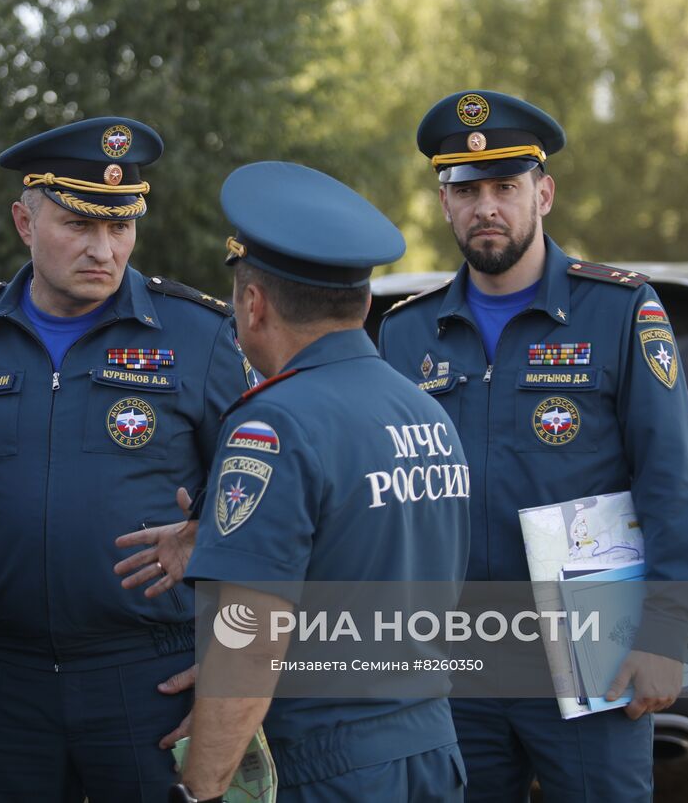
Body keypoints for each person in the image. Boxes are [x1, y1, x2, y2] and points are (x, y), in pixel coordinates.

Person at [0, 116, 251, 803]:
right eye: (78, 224)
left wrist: (230, 679)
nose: (103, 249)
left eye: (120, 226)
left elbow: (265, 513)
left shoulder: (200, 335)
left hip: (150, 678)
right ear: (24, 223)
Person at [377, 90, 688, 801]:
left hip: (595, 644)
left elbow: (671, 481)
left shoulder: (619, 311)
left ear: (544, 194)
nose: (486, 207)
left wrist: (667, 634)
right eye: (467, 191)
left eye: (505, 187)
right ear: (444, 203)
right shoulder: (406, 333)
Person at [173, 161, 471, 803]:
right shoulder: (427, 412)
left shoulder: (273, 425)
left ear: (254, 304)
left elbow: (250, 644)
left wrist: (199, 790)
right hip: (430, 751)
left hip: (329, 766)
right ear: (362, 302)